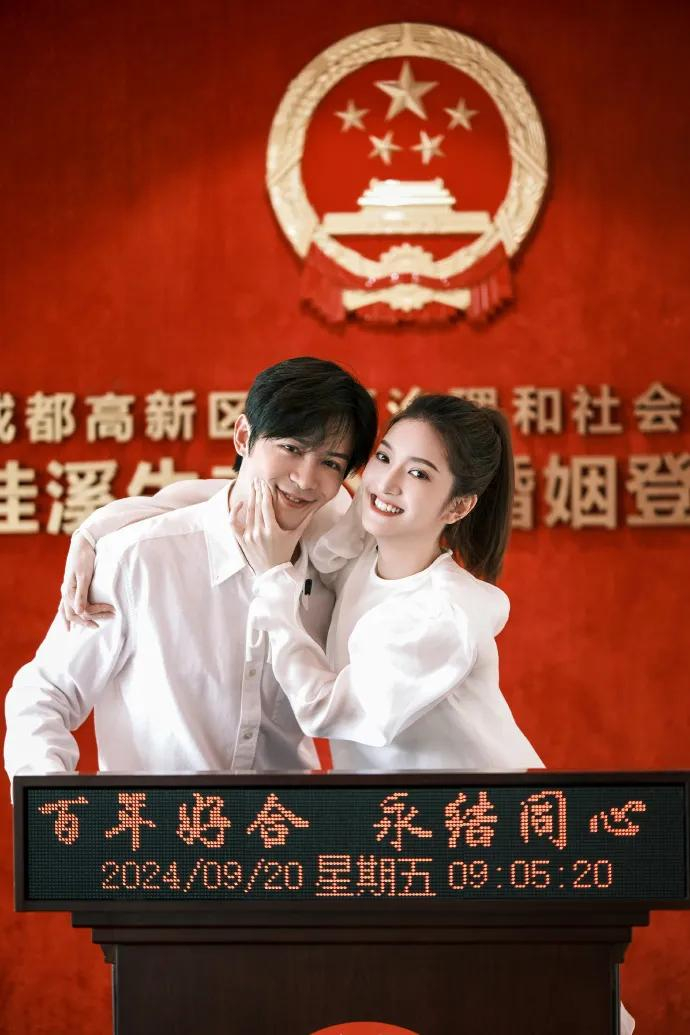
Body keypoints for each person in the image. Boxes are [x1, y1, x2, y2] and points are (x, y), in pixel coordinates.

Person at [4, 357, 377, 784]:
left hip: (283, 820)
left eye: (331, 463)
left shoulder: (337, 569)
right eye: (291, 448)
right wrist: (55, 809)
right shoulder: (137, 560)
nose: (306, 479)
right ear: (243, 437)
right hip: (149, 821)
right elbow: (45, 695)